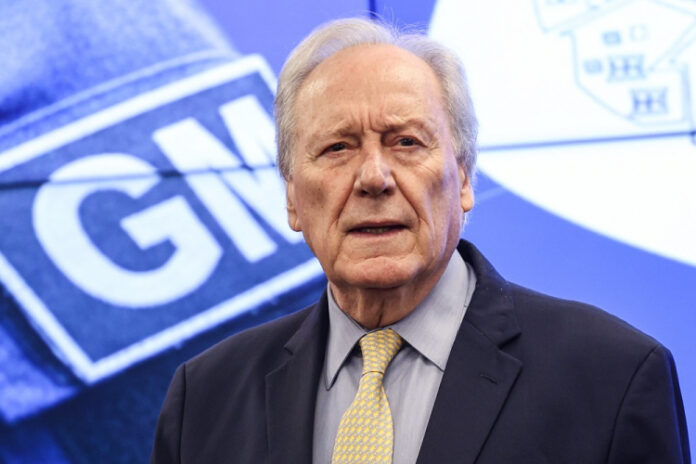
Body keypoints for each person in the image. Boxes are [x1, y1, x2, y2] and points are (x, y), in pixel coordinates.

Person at [150, 17, 690, 464]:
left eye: (406, 142)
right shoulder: (206, 398)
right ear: (292, 196)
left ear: (464, 177)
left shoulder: (613, 376)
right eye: (337, 148)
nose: (374, 177)